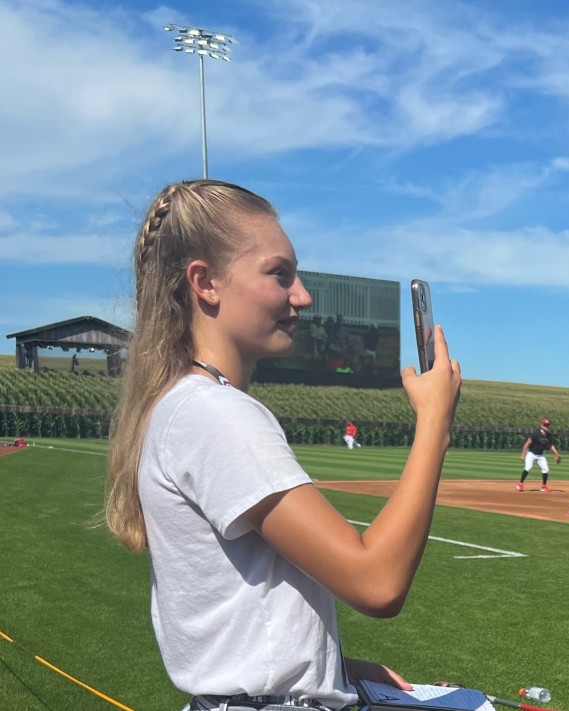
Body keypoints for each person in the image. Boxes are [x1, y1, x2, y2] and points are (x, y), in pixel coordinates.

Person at [103, 179, 462, 711]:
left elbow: (241, 609)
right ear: (205, 282)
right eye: (279, 274)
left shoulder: (185, 406)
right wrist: (435, 422)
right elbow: (377, 581)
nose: (303, 296)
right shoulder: (215, 414)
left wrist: (328, 669)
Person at [518, 419, 561, 492]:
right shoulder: (536, 434)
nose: (546, 427)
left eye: (548, 425)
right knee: (528, 467)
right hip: (531, 453)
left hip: (540, 455)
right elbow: (527, 443)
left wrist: (556, 452)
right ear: (541, 425)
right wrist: (523, 454)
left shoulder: (549, 436)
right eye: (545, 425)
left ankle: (543, 487)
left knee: (546, 469)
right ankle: (520, 484)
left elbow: (550, 445)